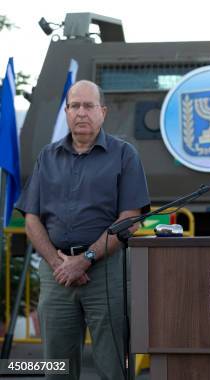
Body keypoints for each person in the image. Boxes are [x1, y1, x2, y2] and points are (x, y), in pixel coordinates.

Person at [16, 80, 150, 379]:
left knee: (112, 365)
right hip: (57, 275)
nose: (81, 112)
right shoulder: (47, 157)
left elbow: (130, 217)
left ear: (102, 111)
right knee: (56, 368)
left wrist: (85, 258)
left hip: (106, 273)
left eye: (88, 106)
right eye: (74, 105)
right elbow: (31, 218)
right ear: (66, 111)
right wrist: (57, 263)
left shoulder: (124, 155)